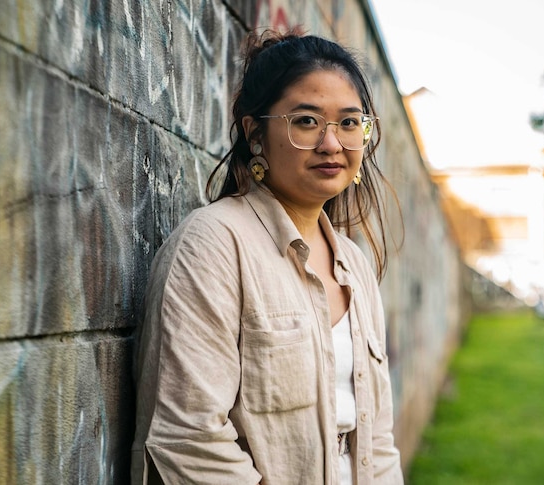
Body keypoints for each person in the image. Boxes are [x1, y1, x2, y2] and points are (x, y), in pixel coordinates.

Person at [131, 29, 404, 484]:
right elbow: (187, 437)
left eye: (350, 123)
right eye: (306, 121)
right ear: (255, 132)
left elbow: (377, 441)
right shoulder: (214, 245)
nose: (332, 144)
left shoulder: (354, 264)